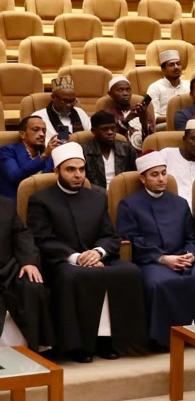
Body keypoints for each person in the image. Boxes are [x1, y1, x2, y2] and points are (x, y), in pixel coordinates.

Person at [26, 142, 146, 362]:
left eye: (81, 169)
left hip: (97, 258)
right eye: (70, 170)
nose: (78, 175)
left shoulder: (97, 197)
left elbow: (110, 235)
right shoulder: (41, 200)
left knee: (129, 271)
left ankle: (110, 340)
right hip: (62, 262)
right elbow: (41, 239)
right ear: (57, 171)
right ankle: (79, 345)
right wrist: (77, 257)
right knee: (74, 275)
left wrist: (98, 252)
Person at [115, 152, 195, 347]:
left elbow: (192, 236)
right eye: (154, 175)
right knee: (161, 284)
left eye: (164, 173)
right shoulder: (129, 205)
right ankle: (166, 341)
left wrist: (191, 254)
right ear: (143, 179)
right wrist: (163, 259)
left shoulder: (179, 203)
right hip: (152, 261)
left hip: (185, 257)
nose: (161, 179)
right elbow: (132, 240)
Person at [0, 195, 52, 349]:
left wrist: (29, 262)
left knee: (31, 285)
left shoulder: (6, 205)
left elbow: (22, 234)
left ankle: (34, 347)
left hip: (7, 268)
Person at [0, 117, 54, 198]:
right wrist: (44, 156)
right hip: (15, 201)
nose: (42, 134)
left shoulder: (48, 154)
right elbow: (15, 177)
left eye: (44, 131)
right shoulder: (7, 151)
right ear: (23, 134)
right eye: (36, 130)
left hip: (43, 201)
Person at [80, 111, 137, 188]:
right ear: (93, 131)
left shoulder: (127, 149)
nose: (110, 132)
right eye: (104, 129)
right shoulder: (84, 151)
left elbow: (135, 176)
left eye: (113, 128)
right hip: (96, 193)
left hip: (123, 191)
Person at [32, 76, 91, 145]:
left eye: (72, 101)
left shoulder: (80, 112)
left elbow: (89, 135)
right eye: (65, 101)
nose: (69, 105)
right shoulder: (38, 117)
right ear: (53, 97)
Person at [99, 76, 152, 150]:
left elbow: (150, 140)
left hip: (144, 152)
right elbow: (107, 139)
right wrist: (126, 120)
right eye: (120, 90)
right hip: (120, 153)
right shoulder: (106, 114)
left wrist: (144, 123)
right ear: (110, 94)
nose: (125, 93)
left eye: (128, 89)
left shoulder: (141, 111)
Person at [146, 50, 189, 127]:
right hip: (164, 125)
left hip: (188, 123)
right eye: (171, 65)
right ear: (163, 69)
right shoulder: (155, 87)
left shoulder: (189, 85)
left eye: (178, 64)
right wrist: (173, 118)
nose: (176, 67)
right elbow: (153, 116)